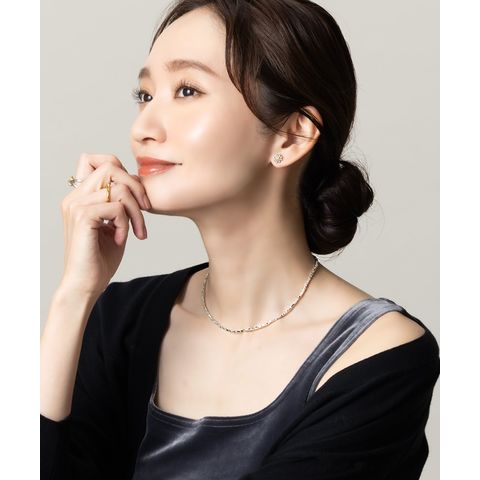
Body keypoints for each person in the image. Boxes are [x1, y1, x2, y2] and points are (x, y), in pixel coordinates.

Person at [40, 1, 440, 479]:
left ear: (290, 136)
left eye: (187, 90)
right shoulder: (121, 319)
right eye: (145, 95)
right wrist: (73, 296)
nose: (142, 129)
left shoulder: (378, 355)